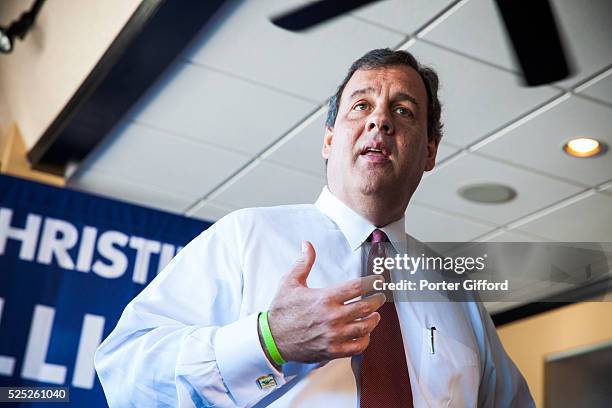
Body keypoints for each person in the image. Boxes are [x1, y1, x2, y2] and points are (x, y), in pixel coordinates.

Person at [95, 48, 534, 407]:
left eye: (403, 111)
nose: (380, 121)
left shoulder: (458, 295)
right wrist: (268, 342)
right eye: (361, 106)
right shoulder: (245, 237)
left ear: (430, 152)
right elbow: (125, 374)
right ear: (328, 139)